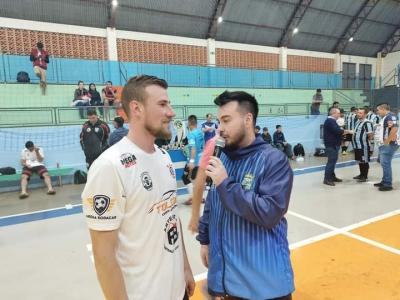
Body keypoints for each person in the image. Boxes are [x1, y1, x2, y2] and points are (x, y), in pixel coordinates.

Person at [81, 75, 194, 300]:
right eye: (162, 104)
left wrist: (185, 267)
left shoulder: (163, 157)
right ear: (136, 108)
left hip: (177, 291)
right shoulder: (109, 166)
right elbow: (104, 258)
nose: (171, 112)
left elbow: (172, 217)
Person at [197, 91, 294, 299]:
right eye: (218, 121)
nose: (219, 128)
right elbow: (212, 201)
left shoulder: (273, 160)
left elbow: (269, 213)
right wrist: (204, 240)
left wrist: (225, 183)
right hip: (228, 282)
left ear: (247, 119)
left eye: (226, 120)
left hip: (264, 286)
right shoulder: (223, 156)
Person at [374, 103, 399, 191]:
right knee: (384, 163)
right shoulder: (385, 117)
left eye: (378, 110)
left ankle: (388, 184)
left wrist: (387, 141)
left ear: (383, 109)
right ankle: (384, 181)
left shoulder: (390, 116)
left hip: (390, 144)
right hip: (385, 144)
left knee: (385, 163)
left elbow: (394, 129)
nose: (377, 112)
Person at [323, 108, 348, 186]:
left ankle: (332, 176)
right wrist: (346, 131)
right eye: (339, 113)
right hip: (332, 145)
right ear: (334, 113)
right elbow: (337, 131)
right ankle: (327, 179)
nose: (340, 115)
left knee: (333, 162)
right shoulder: (330, 121)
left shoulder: (331, 121)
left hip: (333, 144)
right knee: (331, 162)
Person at [183, 115, 204, 205]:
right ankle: (199, 197)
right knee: (195, 179)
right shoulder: (200, 133)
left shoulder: (191, 134)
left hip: (194, 160)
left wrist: (191, 161)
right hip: (201, 159)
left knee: (185, 178)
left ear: (189, 123)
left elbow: (193, 148)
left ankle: (195, 198)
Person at [352, 108, 374, 182]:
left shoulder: (367, 123)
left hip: (363, 146)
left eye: (361, 113)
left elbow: (370, 135)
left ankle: (365, 176)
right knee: (360, 160)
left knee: (364, 161)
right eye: (358, 112)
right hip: (357, 145)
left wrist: (369, 144)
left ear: (365, 114)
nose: (358, 114)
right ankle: (361, 174)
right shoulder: (358, 121)